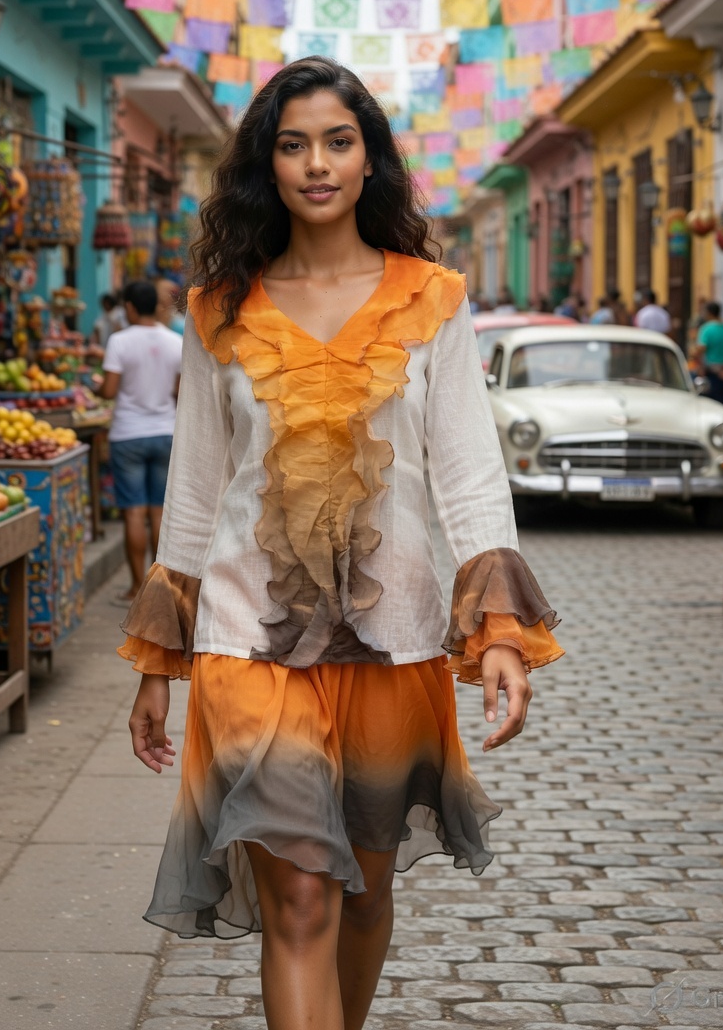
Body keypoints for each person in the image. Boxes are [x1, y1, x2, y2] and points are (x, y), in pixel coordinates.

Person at [116, 58, 564, 1030]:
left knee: (361, 896)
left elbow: (469, 471)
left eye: (337, 140)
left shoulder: (432, 300)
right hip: (246, 639)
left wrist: (495, 632)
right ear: (264, 165)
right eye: (291, 143)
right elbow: (193, 489)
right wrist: (159, 661)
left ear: (369, 161)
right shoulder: (217, 309)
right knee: (302, 900)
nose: (315, 163)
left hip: (391, 642)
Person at [94, 280, 183, 607]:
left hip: (128, 434)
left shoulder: (119, 341)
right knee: (159, 512)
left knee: (134, 513)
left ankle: (135, 588)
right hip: (165, 432)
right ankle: (160, 588)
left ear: (130, 307)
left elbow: (108, 390)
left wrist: (95, 387)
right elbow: (178, 391)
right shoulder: (176, 341)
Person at [694, 301, 723, 405]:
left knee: (709, 405)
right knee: (722, 404)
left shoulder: (706, 329)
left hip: (711, 374)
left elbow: (700, 349)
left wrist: (699, 367)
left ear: (709, 313)